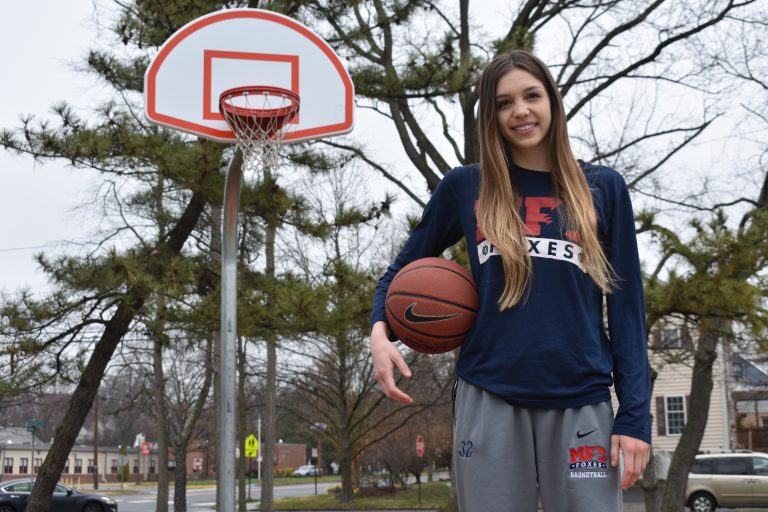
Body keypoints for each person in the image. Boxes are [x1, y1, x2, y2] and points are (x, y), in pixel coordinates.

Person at [369, 50, 651, 511]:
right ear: (491, 117)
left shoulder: (603, 187)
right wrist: (381, 331)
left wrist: (635, 418)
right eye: (504, 103)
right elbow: (400, 272)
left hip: (580, 397)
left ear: (552, 102)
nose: (520, 110)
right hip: (490, 393)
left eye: (531, 96)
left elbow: (628, 314)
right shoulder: (466, 187)